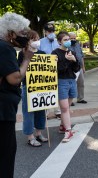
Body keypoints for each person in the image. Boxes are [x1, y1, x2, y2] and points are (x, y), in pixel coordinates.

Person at [0, 13, 34, 178]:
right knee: (6, 154)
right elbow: (14, 78)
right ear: (10, 33)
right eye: (22, 33)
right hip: (3, 110)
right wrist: (27, 59)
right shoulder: (5, 48)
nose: (25, 37)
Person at [17, 30, 48, 147]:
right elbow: (19, 70)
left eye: (38, 39)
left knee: (41, 111)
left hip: (41, 87)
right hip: (28, 87)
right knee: (28, 112)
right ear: (28, 41)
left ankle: (39, 133)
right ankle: (30, 136)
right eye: (34, 39)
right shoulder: (22, 54)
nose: (37, 41)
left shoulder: (43, 53)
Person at [52, 31, 80, 142]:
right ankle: (68, 131)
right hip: (61, 81)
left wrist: (74, 60)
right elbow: (57, 70)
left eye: (68, 39)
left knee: (66, 108)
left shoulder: (71, 52)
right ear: (59, 41)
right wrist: (67, 61)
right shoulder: (55, 53)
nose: (68, 41)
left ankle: (62, 126)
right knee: (64, 108)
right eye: (65, 40)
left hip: (72, 80)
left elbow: (76, 69)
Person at [39, 23, 61, 117]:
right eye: (49, 31)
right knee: (46, 91)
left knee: (58, 90)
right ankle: (46, 112)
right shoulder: (40, 42)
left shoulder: (57, 42)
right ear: (45, 31)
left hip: (57, 69)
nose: (51, 33)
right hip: (45, 70)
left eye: (52, 31)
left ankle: (58, 111)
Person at [69, 32, 88, 104]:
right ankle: (70, 100)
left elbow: (81, 56)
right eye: (71, 38)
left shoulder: (77, 45)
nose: (73, 39)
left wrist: (83, 67)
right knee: (71, 84)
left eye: (74, 38)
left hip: (79, 67)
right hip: (71, 68)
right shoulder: (67, 46)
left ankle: (80, 98)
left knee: (81, 83)